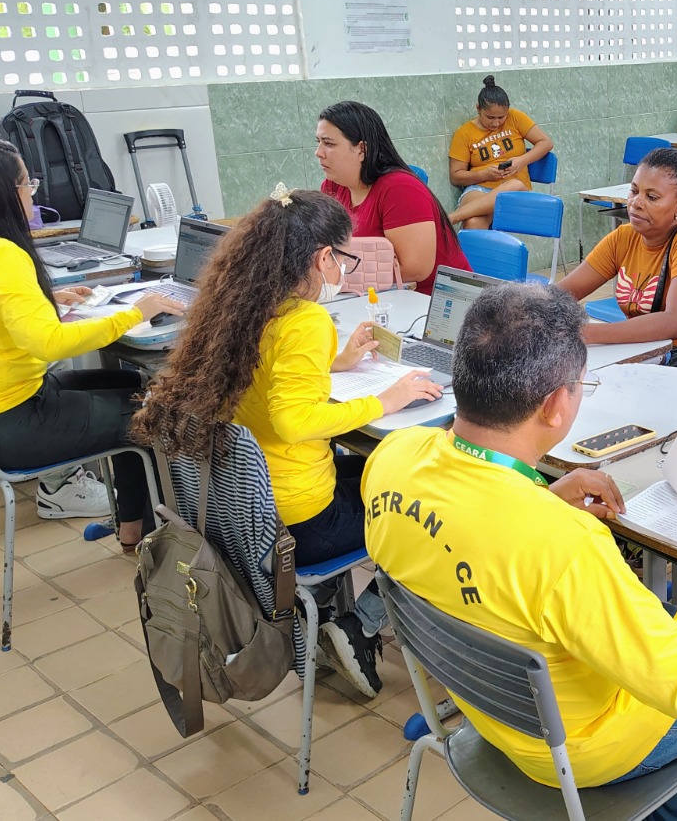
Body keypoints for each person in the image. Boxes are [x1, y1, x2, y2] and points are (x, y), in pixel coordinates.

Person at [363, 283, 677, 820]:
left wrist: (540, 495)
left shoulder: (395, 455)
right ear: (557, 404)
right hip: (583, 746)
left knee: (663, 623)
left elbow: (462, 530)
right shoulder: (563, 544)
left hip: (489, 708)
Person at [132, 185, 444, 698]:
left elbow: (268, 380)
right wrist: (386, 400)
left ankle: (329, 616)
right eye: (343, 257)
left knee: (377, 472)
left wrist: (337, 363)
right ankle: (358, 624)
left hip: (240, 509)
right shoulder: (305, 320)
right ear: (323, 257)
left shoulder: (242, 304)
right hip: (299, 520)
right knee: (423, 505)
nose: (344, 268)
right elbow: (296, 420)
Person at [0, 137, 185, 551]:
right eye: (27, 184)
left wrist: (40, 299)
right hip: (5, 422)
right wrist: (135, 313)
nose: (30, 194)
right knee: (157, 414)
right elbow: (49, 344)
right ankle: (166, 538)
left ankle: (132, 525)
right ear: (2, 192)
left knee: (138, 391)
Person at [558, 148, 677, 378]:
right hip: (645, 354)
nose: (636, 203)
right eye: (634, 191)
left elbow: (676, 322)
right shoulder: (623, 237)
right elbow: (560, 296)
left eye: (652, 197)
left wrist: (585, 334)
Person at [316, 101, 471, 292]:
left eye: (329, 144)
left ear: (362, 149)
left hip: (434, 302)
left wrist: (332, 273)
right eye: (319, 142)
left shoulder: (399, 189)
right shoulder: (333, 186)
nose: (319, 153)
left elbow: (416, 270)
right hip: (377, 295)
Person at [447, 75, 555, 231]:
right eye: (490, 117)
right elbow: (456, 176)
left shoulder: (516, 117)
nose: (496, 123)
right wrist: (484, 174)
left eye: (501, 117)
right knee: (473, 223)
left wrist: (521, 161)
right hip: (479, 188)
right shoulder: (464, 133)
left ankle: (451, 218)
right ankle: (472, 254)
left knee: (514, 184)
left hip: (514, 189)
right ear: (478, 108)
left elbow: (546, 143)